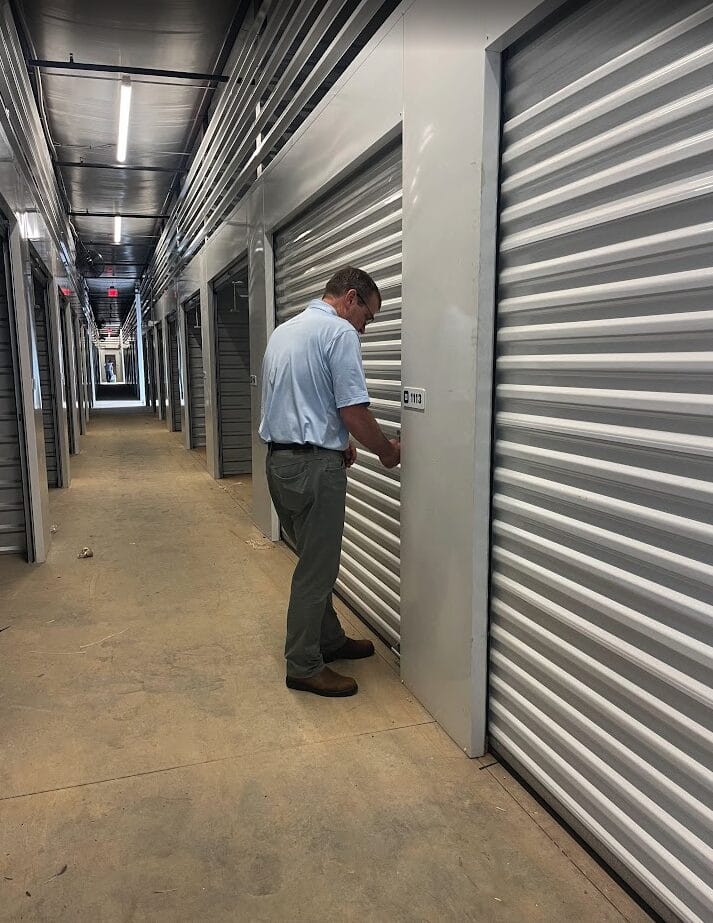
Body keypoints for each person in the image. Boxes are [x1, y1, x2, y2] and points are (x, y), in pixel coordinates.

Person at [259, 266, 400, 698]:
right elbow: (354, 412)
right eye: (368, 317)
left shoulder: (285, 332)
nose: (365, 327)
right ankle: (303, 664)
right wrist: (388, 451)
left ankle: (329, 639)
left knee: (313, 561)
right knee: (316, 572)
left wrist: (334, 442)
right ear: (351, 298)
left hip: (280, 463)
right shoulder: (339, 334)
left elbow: (299, 396)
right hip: (314, 471)